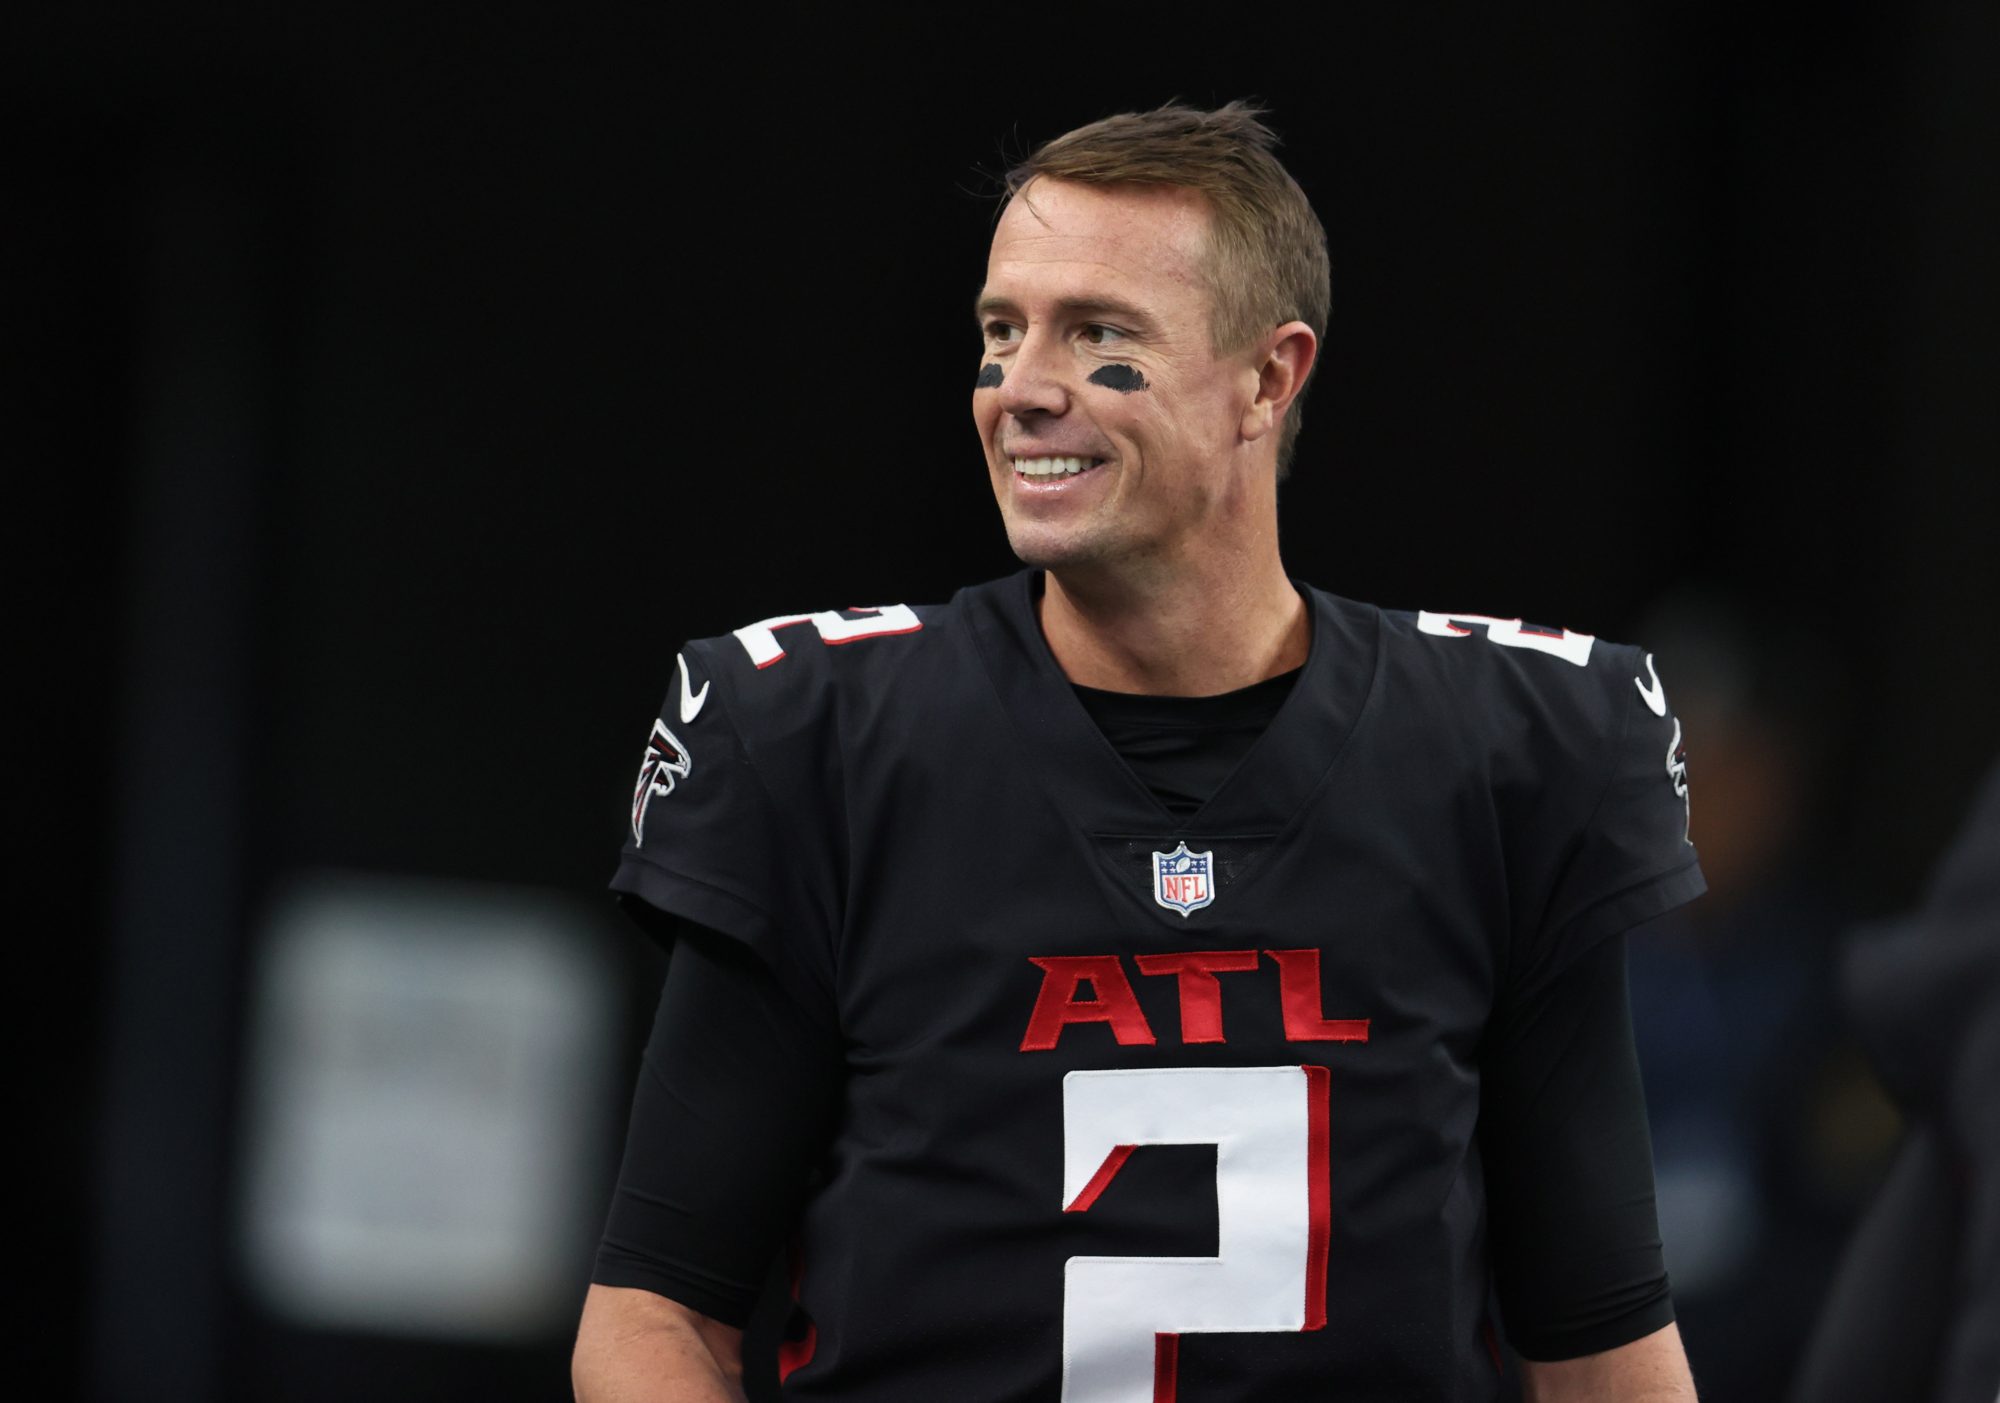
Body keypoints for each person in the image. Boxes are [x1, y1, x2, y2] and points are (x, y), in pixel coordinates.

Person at [573, 101, 1705, 1402]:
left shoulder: (1507, 759)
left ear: (1269, 379)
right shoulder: (818, 742)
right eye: (1003, 331)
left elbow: (1604, 1342)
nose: (1025, 387)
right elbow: (654, 1315)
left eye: (1100, 332)